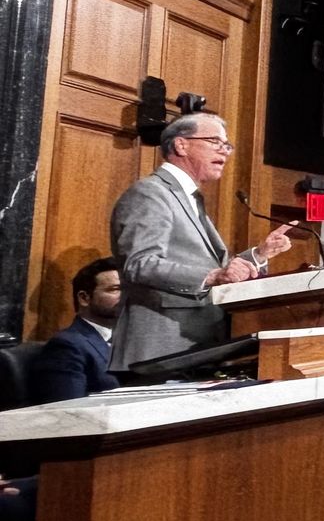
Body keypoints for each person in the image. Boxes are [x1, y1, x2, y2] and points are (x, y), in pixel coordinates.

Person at [109, 112, 295, 371]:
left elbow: (207, 266)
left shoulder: (190, 198)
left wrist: (259, 255)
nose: (225, 151)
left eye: (227, 145)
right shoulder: (150, 193)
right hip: (159, 350)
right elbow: (140, 264)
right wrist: (212, 276)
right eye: (215, 141)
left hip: (194, 349)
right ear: (181, 144)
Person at [29, 256, 123, 403]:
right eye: (115, 289)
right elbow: (67, 411)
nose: (125, 297)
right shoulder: (67, 346)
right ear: (84, 298)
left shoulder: (130, 340)